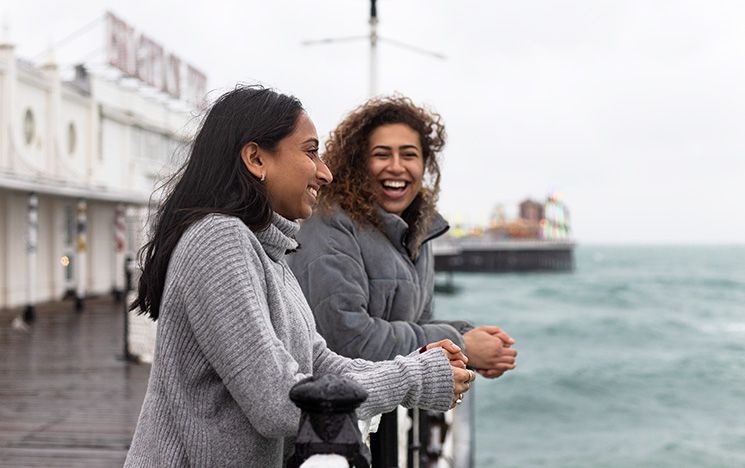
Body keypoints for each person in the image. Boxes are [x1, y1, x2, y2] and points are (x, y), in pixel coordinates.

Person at [124, 86, 474, 468]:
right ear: (256, 158)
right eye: (310, 151)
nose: (325, 172)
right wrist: (413, 378)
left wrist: (416, 364)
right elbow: (277, 401)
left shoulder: (269, 251)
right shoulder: (218, 238)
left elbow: (320, 365)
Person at [288, 94, 518, 377]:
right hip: (339, 411)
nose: (396, 166)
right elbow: (345, 340)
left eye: (409, 154)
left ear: (425, 164)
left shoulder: (420, 229)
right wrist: (462, 346)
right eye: (382, 154)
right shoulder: (329, 222)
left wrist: (468, 338)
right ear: (357, 163)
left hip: (392, 406)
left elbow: (416, 324)